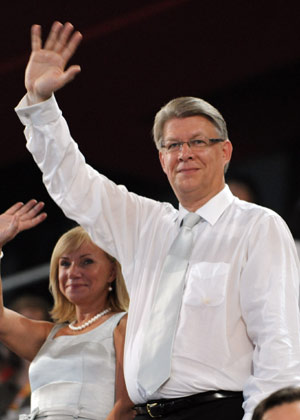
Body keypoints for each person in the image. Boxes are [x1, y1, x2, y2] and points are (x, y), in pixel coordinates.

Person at [14, 21, 300, 420]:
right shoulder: (144, 224)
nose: (185, 153)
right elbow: (72, 182)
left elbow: (278, 341)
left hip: (220, 411)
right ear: (161, 159)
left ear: (226, 151)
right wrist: (40, 105)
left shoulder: (258, 227)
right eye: (172, 145)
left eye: (198, 141)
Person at [0, 201, 133, 419]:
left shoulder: (123, 325)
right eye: (65, 263)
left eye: (86, 262)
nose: (73, 272)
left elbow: (126, 406)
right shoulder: (46, 336)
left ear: (112, 273)